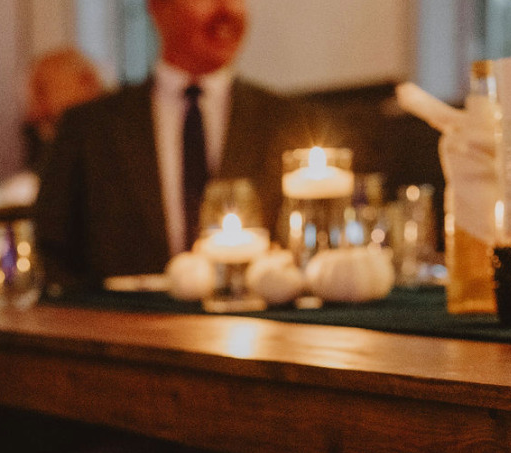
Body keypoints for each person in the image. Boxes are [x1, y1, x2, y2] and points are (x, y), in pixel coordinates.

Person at [35, 0, 307, 284]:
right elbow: (50, 255)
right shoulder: (89, 129)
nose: (227, 9)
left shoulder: (289, 122)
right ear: (158, 7)